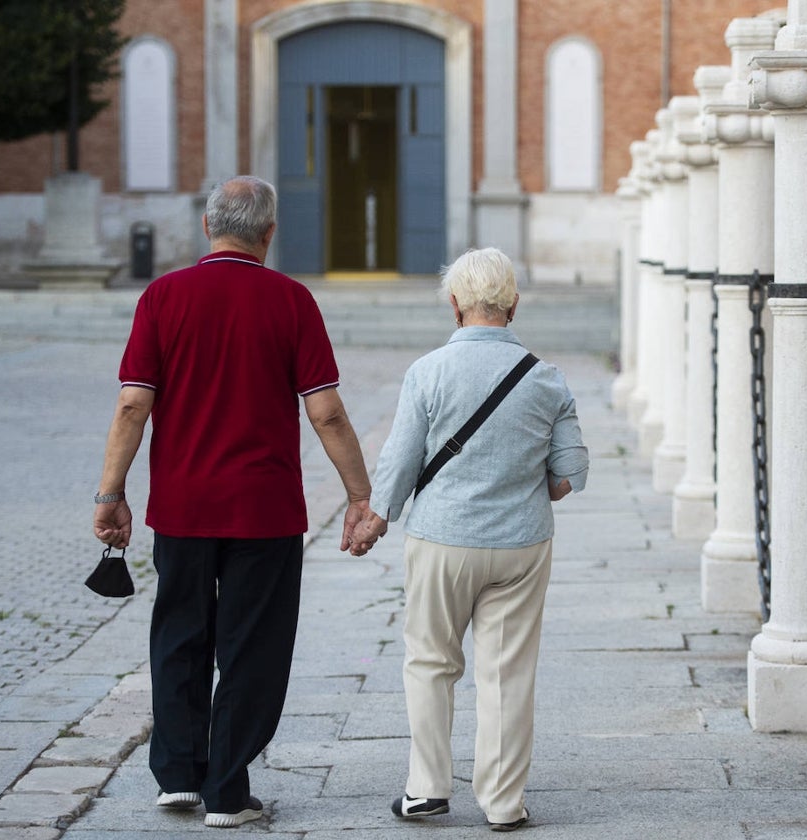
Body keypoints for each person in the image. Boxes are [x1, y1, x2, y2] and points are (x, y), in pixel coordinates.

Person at [92, 175, 374, 829]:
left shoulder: (163, 297)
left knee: (179, 636)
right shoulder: (291, 300)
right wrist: (359, 495)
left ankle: (177, 775)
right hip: (265, 510)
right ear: (269, 234)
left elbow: (134, 401)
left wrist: (111, 494)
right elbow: (326, 412)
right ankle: (226, 790)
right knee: (253, 646)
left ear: (206, 227)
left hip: (183, 506)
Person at [350, 247, 588, 832]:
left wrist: (375, 518)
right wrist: (522, 479)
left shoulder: (428, 371)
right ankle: (505, 805)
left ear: (455, 305)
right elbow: (569, 475)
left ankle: (427, 790)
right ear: (514, 303)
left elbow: (400, 461)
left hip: (442, 542)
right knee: (507, 674)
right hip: (521, 545)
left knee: (431, 662)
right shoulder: (546, 378)